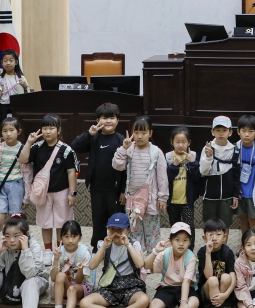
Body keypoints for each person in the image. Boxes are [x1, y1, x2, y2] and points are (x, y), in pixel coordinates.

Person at [125, 222, 200, 308]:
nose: (181, 243)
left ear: (190, 242)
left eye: (185, 240)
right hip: (167, 286)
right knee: (154, 304)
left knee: (194, 302)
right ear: (170, 240)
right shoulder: (165, 253)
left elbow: (187, 281)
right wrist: (155, 251)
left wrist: (183, 302)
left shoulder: (190, 257)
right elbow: (147, 266)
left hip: (185, 288)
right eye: (177, 240)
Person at [19, 115, 78, 265]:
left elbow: (71, 172)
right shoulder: (37, 147)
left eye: (51, 128)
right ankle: (47, 251)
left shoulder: (66, 150)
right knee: (45, 223)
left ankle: (59, 250)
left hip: (62, 191)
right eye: (45, 128)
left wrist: (72, 193)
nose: (48, 131)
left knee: (60, 223)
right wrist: (29, 142)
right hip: (42, 193)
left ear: (58, 130)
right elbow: (23, 159)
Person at [80, 213, 150, 308]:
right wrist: (103, 248)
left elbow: (140, 264)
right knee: (84, 303)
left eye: (120, 229)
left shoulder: (134, 244)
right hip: (110, 286)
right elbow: (92, 266)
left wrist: (128, 245)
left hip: (131, 285)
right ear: (108, 229)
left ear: (127, 230)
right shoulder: (104, 244)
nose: (116, 233)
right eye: (112, 229)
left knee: (144, 300)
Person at [70, 102, 126, 250]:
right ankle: (97, 245)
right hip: (97, 187)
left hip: (114, 189)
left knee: (116, 218)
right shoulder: (94, 138)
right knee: (98, 218)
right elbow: (74, 146)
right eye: (104, 118)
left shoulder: (121, 141)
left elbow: (127, 169)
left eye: (112, 118)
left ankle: (117, 246)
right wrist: (89, 134)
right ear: (97, 121)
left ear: (118, 120)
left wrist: (123, 190)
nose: (108, 121)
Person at [112, 115, 169, 254]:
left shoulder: (156, 152)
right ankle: (138, 257)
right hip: (132, 199)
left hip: (150, 198)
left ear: (150, 133)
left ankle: (153, 258)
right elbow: (117, 165)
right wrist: (123, 149)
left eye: (143, 133)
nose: (139, 136)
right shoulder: (129, 149)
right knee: (134, 230)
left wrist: (162, 197)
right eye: (136, 132)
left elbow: (162, 177)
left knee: (152, 231)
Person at [46, 220, 93, 308]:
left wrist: (81, 268)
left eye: (74, 236)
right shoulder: (59, 251)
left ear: (80, 237)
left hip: (80, 287)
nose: (70, 240)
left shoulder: (84, 252)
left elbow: (78, 281)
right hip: (64, 285)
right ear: (61, 237)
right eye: (66, 236)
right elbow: (53, 278)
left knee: (72, 289)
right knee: (60, 275)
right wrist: (56, 260)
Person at [194, 218, 237, 308]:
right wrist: (208, 253)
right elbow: (208, 276)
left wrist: (226, 294)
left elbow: (233, 278)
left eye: (218, 234)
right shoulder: (202, 252)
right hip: (207, 291)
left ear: (225, 237)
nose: (214, 238)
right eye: (210, 234)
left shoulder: (228, 252)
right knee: (213, 280)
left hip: (224, 293)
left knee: (226, 276)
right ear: (204, 238)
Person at [0, 117, 25, 248]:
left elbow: (27, 173)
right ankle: (1, 248)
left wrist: (26, 197)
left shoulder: (22, 148)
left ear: (18, 131)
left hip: (16, 185)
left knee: (15, 221)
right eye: (4, 131)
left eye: (11, 130)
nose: (8, 134)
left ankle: (15, 246)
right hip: (0, 186)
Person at [199, 115, 238, 228]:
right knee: (209, 225)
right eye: (218, 130)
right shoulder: (207, 148)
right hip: (210, 194)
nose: (221, 133)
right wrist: (208, 157)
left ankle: (223, 246)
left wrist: (235, 195)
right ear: (212, 132)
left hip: (227, 195)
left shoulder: (234, 150)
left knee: (225, 225)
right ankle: (210, 246)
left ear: (230, 132)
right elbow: (203, 171)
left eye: (224, 130)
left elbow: (236, 174)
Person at [165, 127, 199, 244]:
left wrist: (193, 163)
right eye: (177, 142)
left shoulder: (193, 156)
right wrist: (174, 165)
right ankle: (176, 248)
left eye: (183, 142)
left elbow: (197, 177)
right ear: (172, 142)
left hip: (187, 201)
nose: (180, 145)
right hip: (172, 200)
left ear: (189, 142)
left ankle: (190, 248)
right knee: (175, 227)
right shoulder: (168, 157)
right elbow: (166, 178)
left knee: (189, 226)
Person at [0, 49, 28, 136]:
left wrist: (25, 85)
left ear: (16, 62)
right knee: (2, 131)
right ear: (2, 63)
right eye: (5, 61)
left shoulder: (21, 78)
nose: (8, 63)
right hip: (2, 107)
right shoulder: (0, 78)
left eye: (11, 60)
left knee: (16, 129)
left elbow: (26, 96)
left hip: (16, 107)